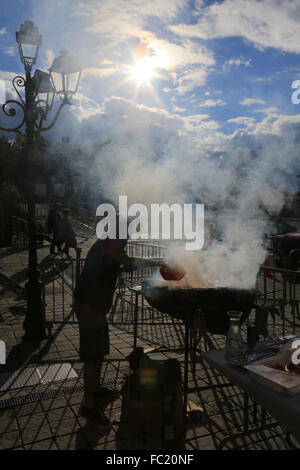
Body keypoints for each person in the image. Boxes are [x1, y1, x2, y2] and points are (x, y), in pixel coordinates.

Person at [73, 232, 138, 429]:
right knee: (93, 357)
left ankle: (97, 390)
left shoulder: (108, 243)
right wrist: (161, 262)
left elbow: (117, 263)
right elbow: (130, 262)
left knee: (99, 352)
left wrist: (121, 265)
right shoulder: (111, 242)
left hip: (95, 307)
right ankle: (89, 405)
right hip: (89, 307)